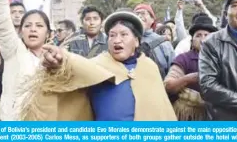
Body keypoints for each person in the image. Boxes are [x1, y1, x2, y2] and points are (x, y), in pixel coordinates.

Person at [17, 10, 177, 121]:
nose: (117, 40)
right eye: (112, 35)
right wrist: (59, 61)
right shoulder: (98, 64)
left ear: (136, 41)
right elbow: (73, 68)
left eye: (124, 35)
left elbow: (162, 111)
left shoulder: (149, 68)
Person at [164, 16, 218, 121]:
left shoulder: (222, 60)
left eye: (207, 35)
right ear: (192, 40)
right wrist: (187, 79)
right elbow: (168, 86)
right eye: (198, 35)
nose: (203, 39)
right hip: (186, 116)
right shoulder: (183, 59)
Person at [134, 3, 175, 77]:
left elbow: (173, 71)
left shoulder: (163, 43)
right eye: (136, 14)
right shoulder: (127, 41)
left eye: (143, 13)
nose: (139, 16)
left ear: (152, 19)